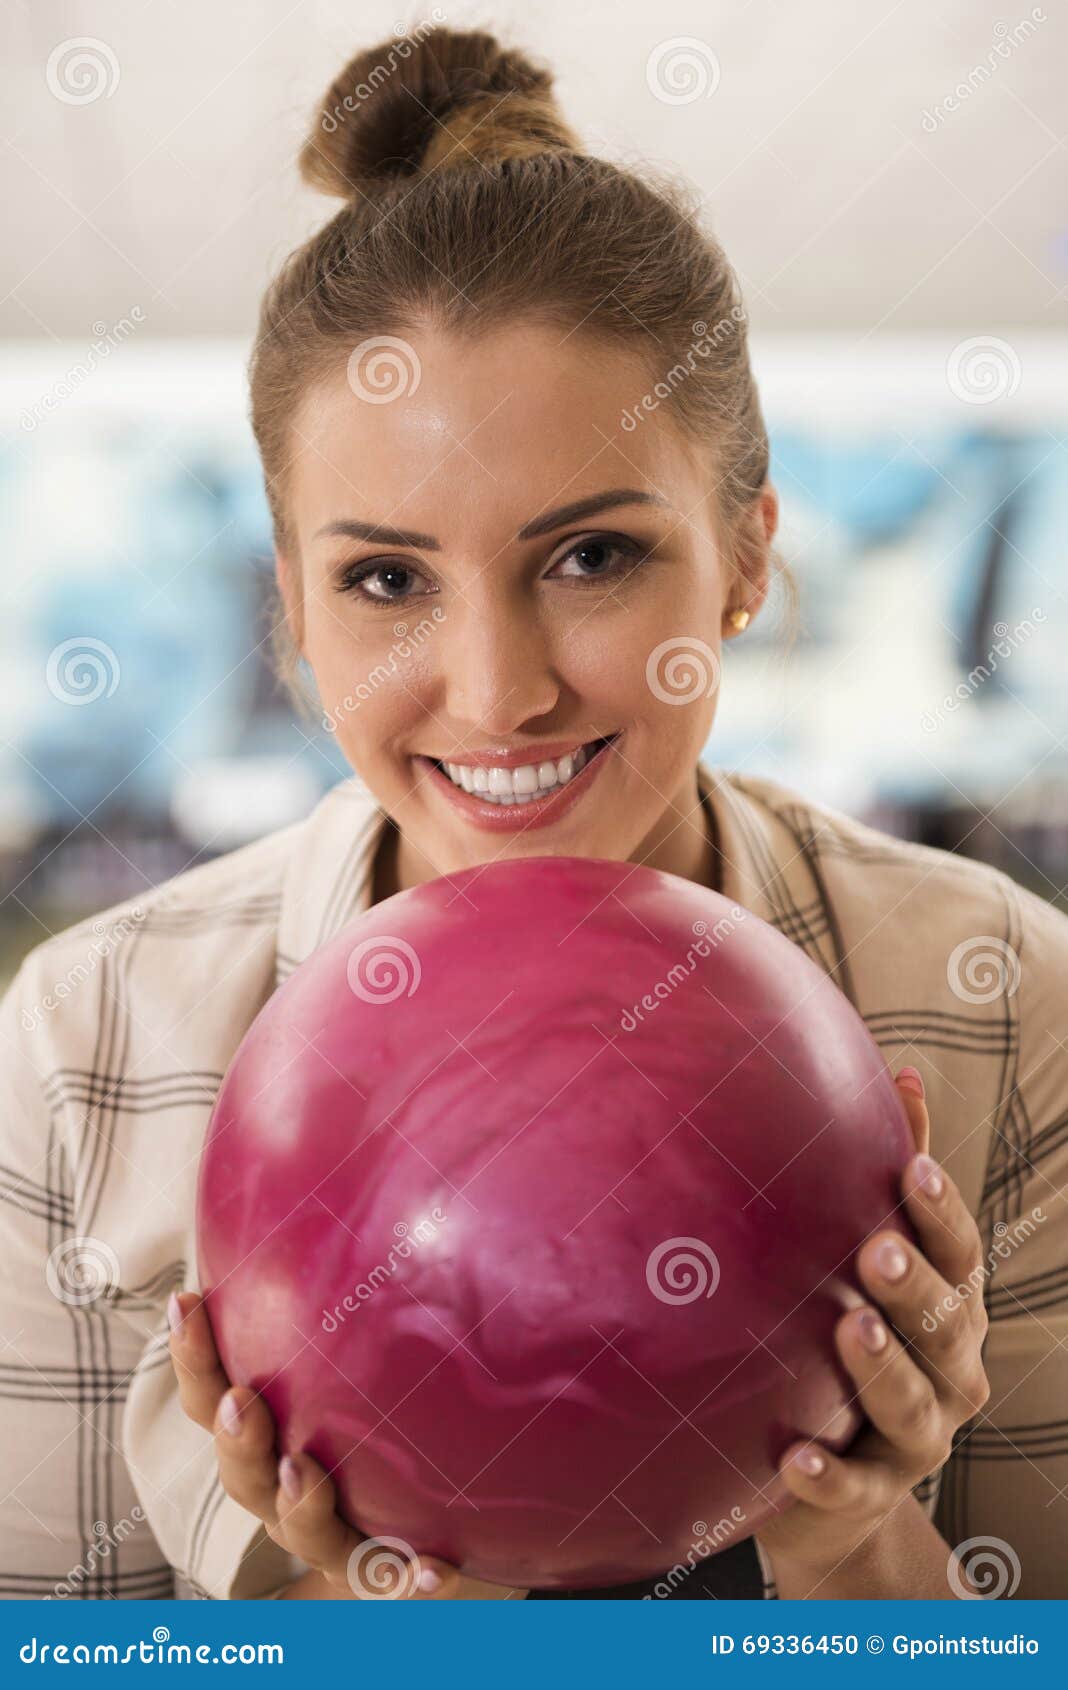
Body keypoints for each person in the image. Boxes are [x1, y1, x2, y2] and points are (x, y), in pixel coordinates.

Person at [2, 25, 1066, 1602]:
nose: (499, 694)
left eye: (591, 557)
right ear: (294, 607)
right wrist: (384, 1630)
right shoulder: (85, 1049)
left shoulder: (1006, 998)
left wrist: (850, 1539)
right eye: (385, 580)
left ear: (750, 556)